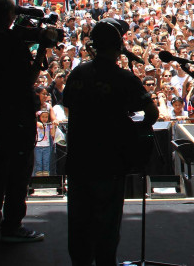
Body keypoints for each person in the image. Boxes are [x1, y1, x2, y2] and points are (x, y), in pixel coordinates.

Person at [63, 19, 158, 265]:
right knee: (107, 220)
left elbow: (69, 105)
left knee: (79, 221)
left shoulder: (78, 73)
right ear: (118, 47)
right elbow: (152, 113)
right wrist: (131, 129)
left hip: (79, 159)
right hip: (110, 161)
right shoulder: (124, 78)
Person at [0, 0, 49, 243]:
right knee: (19, 170)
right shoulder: (13, 41)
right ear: (9, 15)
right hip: (18, 112)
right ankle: (13, 225)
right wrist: (41, 51)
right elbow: (28, 78)